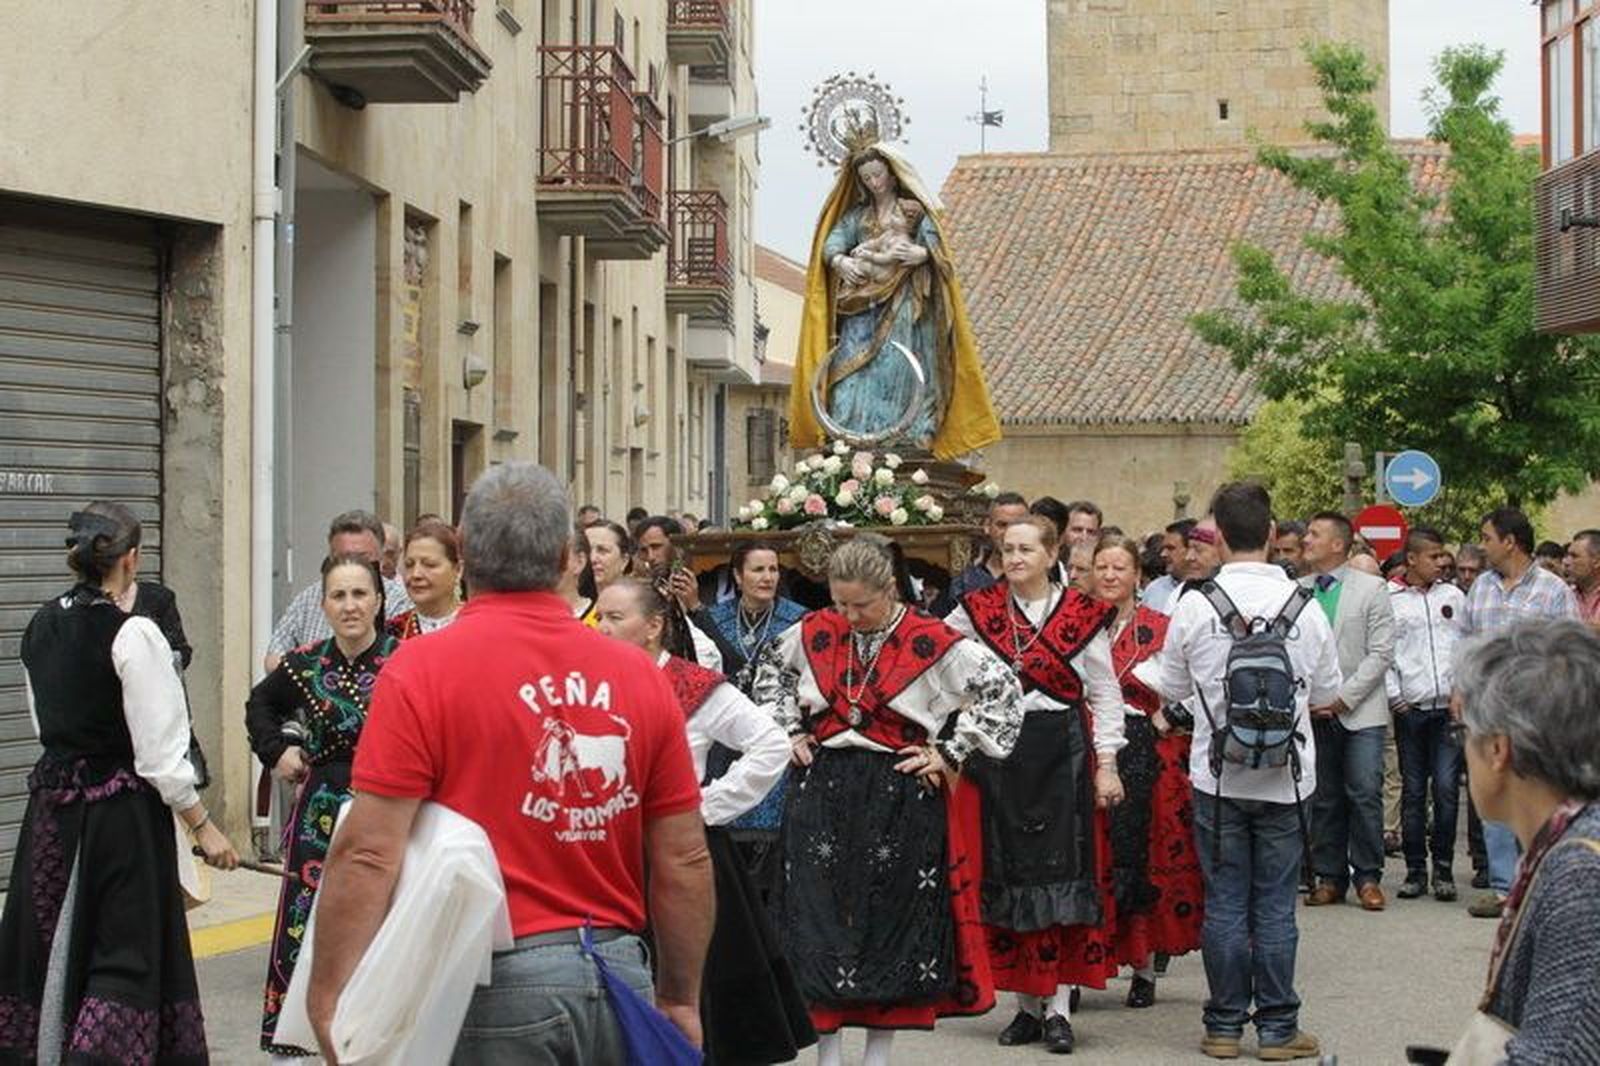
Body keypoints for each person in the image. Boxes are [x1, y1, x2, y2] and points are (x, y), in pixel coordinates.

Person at [307, 462, 714, 1062]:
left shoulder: (421, 669)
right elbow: (684, 857)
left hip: (492, 983)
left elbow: (369, 852)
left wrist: (329, 998)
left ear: (464, 552)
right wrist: (679, 996)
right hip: (618, 977)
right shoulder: (640, 676)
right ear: (565, 557)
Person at [750, 535, 1022, 1065]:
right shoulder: (814, 629)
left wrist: (950, 752)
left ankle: (878, 1057)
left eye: (861, 605)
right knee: (817, 920)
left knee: (890, 921)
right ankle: (827, 1055)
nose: (849, 616)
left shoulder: (932, 639)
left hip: (899, 790)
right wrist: (789, 731)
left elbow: (1002, 691)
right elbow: (769, 675)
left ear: (891, 589)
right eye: (840, 603)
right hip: (822, 787)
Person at [0, 503, 238, 1062]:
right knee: (122, 951)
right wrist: (203, 826)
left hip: (52, 810)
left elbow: (45, 724)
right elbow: (159, 754)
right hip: (120, 817)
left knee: (50, 944)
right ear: (131, 559)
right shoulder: (135, 633)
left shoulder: (40, 625)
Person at [1140, 482, 1340, 1062]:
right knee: (1275, 905)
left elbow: (1171, 686)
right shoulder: (1305, 605)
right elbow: (1326, 693)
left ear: (1219, 537)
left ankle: (1224, 1026)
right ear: (1274, 534)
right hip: (1287, 779)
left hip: (1217, 777)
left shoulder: (1195, 604)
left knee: (1226, 902)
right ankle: (1278, 1029)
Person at [595, 577, 814, 1065]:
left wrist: (705, 805)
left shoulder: (692, 685)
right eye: (599, 617)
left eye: (615, 618)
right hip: (609, 849)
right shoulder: (588, 684)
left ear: (653, 626)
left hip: (681, 852)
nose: (602, 628)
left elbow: (770, 743)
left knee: (694, 987)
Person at [944, 517, 1128, 1054]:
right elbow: (938, 659)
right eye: (1008, 549)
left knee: (1062, 877)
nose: (1015, 557)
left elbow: (1105, 693)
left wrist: (1108, 763)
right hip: (1000, 754)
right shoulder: (977, 610)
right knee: (1007, 875)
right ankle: (1025, 1007)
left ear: (1052, 554)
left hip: (1062, 752)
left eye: (1026, 548)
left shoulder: (1082, 614)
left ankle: (1058, 1009)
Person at [246, 553, 399, 1057]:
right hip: (320, 811)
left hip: (386, 808)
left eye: (360, 594)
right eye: (339, 595)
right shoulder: (304, 662)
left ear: (378, 601)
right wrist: (277, 751)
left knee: (384, 918)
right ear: (324, 604)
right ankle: (294, 1039)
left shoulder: (406, 660)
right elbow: (260, 705)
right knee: (304, 917)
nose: (350, 606)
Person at [1447, 619, 1600, 1064]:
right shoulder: (1570, 843)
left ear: (1498, 750)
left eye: (1464, 733)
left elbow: (1560, 1053)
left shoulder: (1581, 874)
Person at [791, 144, 1001, 459]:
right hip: (860, 307)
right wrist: (840, 261)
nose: (874, 182)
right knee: (847, 374)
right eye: (867, 178)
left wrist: (922, 254)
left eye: (877, 175)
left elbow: (937, 249)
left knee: (897, 365)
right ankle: (849, 435)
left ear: (892, 175)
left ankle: (904, 435)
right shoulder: (857, 217)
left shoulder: (912, 210)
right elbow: (833, 242)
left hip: (903, 302)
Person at [1094, 535, 1205, 1011]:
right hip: (1091, 752)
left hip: (1148, 754)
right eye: (1101, 566)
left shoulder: (1160, 627)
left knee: (1142, 859)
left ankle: (1142, 969)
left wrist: (1167, 717)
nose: (1109, 575)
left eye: (1119, 567)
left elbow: (1197, 683)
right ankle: (1081, 968)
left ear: (1137, 575)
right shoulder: (1078, 625)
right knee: (1092, 860)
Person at [1461, 507, 1580, 918]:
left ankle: (1541, 880)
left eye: (1487, 538)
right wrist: (1460, 688)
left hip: (1536, 712)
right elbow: (1464, 641)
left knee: (1538, 792)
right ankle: (1502, 888)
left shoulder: (1552, 590)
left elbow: (1570, 648)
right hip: (1488, 710)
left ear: (1510, 542)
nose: (1483, 546)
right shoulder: (1481, 588)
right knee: (1495, 790)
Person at [1299, 511, 1396, 912]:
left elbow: (1382, 652)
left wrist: (1342, 698)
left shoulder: (1372, 588)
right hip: (1312, 710)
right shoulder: (1298, 590)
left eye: (1314, 534)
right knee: (1324, 797)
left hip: (1360, 711)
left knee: (1364, 793)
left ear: (1338, 544)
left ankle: (1368, 876)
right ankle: (1330, 876)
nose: (1305, 540)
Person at [1385, 528, 1466, 902]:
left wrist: (1461, 688)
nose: (1441, 562)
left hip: (1447, 709)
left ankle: (1443, 869)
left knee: (1447, 789)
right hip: (1411, 710)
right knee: (1414, 790)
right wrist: (1395, 696)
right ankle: (1415, 869)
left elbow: (1465, 646)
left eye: (1442, 555)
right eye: (1433, 556)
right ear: (1412, 559)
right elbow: (1383, 650)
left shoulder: (1453, 597)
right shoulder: (1390, 599)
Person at [264, 509, 411, 673]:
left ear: (381, 556)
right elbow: (274, 658)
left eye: (362, 558)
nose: (352, 566)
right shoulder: (308, 598)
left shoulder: (401, 600)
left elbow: (405, 663)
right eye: (344, 558)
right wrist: (312, 676)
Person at [936, 492, 1029, 615]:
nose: (1009, 532)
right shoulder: (964, 583)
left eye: (1017, 525)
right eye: (1002, 525)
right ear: (987, 526)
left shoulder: (1039, 581)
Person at [385, 518, 463, 640]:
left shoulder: (479, 624)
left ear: (458, 570)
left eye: (429, 565)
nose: (416, 574)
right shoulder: (393, 632)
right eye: (409, 565)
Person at [582, 520, 635, 624]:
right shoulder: (573, 608)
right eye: (586, 551)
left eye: (602, 550)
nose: (592, 558)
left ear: (624, 560)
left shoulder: (638, 607)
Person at [1142, 519, 1196, 614]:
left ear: (1191, 549)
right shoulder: (1154, 589)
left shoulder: (1211, 592)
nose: (1163, 554)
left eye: (1171, 548)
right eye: (1163, 548)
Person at [1565, 529, 1600, 628]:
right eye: (1567, 555)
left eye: (1574, 556)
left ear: (1597, 562)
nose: (1566, 562)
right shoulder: (1564, 594)